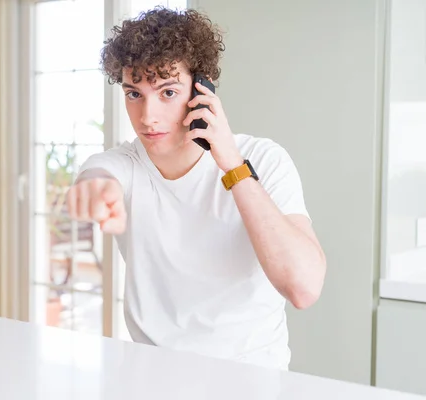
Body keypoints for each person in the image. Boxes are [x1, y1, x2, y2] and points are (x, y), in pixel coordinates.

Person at [66, 7, 327, 370]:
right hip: (152, 376)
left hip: (252, 379)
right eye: (134, 94)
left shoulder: (264, 159)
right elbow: (98, 175)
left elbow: (303, 287)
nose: (147, 116)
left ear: (201, 89)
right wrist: (94, 190)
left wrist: (233, 166)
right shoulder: (120, 165)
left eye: (167, 92)